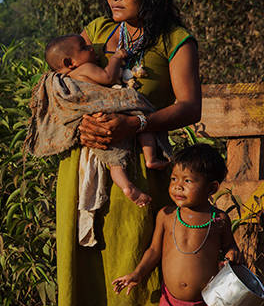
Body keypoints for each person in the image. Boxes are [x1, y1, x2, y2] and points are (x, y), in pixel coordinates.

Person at [55, 0, 202, 306]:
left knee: (140, 269)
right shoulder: (97, 33)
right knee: (91, 271)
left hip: (142, 173)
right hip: (84, 171)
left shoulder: (174, 40)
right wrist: (83, 123)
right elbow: (67, 83)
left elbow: (189, 105)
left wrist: (137, 124)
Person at [112, 144, 241, 306]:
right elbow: (154, 251)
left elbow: (231, 247)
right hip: (170, 303)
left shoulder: (218, 220)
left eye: (188, 181)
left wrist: (232, 255)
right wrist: (137, 274)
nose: (178, 187)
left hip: (205, 304)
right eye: (174, 179)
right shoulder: (167, 216)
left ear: (212, 187)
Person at [43, 34, 170, 208]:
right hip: (109, 112)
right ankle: (151, 158)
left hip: (97, 125)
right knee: (142, 119)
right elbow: (108, 77)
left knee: (115, 163)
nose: (91, 48)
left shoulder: (67, 80)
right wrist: (116, 57)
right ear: (69, 63)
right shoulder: (84, 68)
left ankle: (126, 187)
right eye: (85, 48)